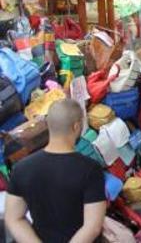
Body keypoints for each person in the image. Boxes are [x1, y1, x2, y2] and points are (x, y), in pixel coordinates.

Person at [6, 98, 106, 243]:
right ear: (76, 126)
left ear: (48, 125)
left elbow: (14, 218)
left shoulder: (21, 169)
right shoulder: (90, 169)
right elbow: (93, 226)